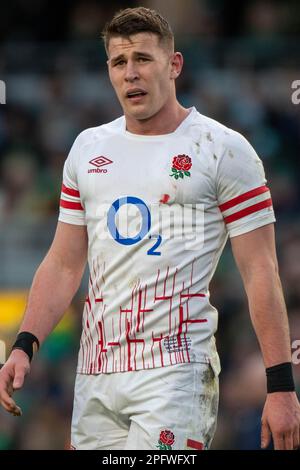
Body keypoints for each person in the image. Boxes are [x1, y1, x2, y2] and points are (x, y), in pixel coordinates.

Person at [0, 7, 299, 451]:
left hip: (176, 373)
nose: (131, 74)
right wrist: (24, 344)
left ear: (174, 65)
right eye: (120, 63)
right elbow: (64, 263)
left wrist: (279, 385)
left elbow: (261, 271)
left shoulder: (223, 150)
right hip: (97, 373)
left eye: (143, 59)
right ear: (108, 71)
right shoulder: (88, 148)